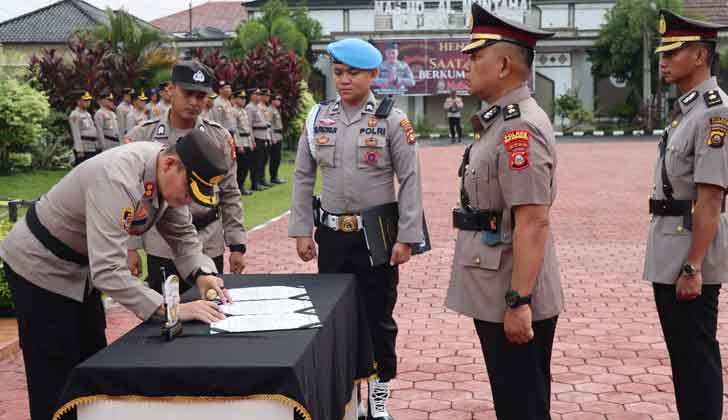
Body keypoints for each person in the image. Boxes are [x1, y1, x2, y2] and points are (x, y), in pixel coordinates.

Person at [0, 129, 232, 420]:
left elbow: (184, 238)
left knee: (92, 361)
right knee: (55, 373)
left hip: (79, 268)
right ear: (170, 164)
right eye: (189, 190)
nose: (188, 200)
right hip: (39, 265)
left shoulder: (164, 177)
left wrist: (202, 274)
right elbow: (108, 271)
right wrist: (172, 309)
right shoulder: (118, 178)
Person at [289, 38, 423, 420]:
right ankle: (346, 397)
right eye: (338, 73)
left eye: (353, 74)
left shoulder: (392, 119)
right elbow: (302, 176)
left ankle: (379, 398)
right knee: (333, 320)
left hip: (376, 237)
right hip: (332, 236)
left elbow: (410, 178)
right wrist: (302, 229)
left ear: (373, 75)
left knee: (379, 318)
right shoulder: (318, 119)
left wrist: (407, 236)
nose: (344, 81)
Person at [445, 5, 561, 419]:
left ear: (505, 64)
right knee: (515, 402)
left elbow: (533, 219)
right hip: (499, 280)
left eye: (476, 56)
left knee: (522, 406)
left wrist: (519, 301)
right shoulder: (498, 123)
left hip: (512, 289)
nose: (467, 65)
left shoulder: (519, 127)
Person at [645, 10, 728, 419]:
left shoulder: (714, 113)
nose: (663, 60)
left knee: (697, 359)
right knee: (685, 359)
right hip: (672, 249)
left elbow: (711, 199)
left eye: (672, 52)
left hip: (690, 256)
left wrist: (693, 266)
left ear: (699, 56)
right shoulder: (689, 110)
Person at [125, 61, 247, 295]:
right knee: (167, 317)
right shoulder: (143, 135)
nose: (193, 102)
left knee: (211, 312)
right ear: (171, 90)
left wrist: (237, 244)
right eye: (187, 93)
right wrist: (131, 247)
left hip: (208, 241)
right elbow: (131, 196)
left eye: (200, 96)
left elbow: (230, 192)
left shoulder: (219, 138)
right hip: (162, 245)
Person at [246, 88, 270, 191]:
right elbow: (249, 125)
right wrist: (251, 139)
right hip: (256, 136)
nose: (259, 96)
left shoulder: (258, 107)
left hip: (262, 135)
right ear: (251, 95)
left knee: (261, 160)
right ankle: (254, 183)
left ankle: (259, 180)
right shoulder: (249, 108)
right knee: (255, 162)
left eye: (260, 94)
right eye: (256, 94)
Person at [232, 89, 255, 195]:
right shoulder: (234, 111)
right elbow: (235, 129)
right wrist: (238, 144)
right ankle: (237, 187)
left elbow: (248, 128)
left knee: (246, 166)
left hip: (247, 140)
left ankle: (242, 185)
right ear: (235, 99)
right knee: (240, 167)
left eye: (244, 98)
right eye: (241, 98)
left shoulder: (244, 111)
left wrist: (251, 141)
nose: (243, 100)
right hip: (240, 141)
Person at [68, 91, 99, 166]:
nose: (88, 102)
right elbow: (76, 133)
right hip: (84, 147)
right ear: (78, 101)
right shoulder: (75, 115)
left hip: (91, 146)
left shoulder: (87, 114)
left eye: (89, 100)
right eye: (85, 100)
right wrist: (79, 150)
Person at [259, 88, 274, 187]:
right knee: (259, 160)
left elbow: (269, 123)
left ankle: (263, 178)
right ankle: (259, 179)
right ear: (263, 96)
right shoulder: (259, 107)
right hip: (260, 135)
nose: (268, 97)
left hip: (267, 135)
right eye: (267, 95)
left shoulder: (267, 107)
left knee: (265, 159)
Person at [269, 93, 285, 184]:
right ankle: (273, 177)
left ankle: (275, 176)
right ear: (273, 101)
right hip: (274, 135)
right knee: (274, 158)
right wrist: (272, 137)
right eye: (277, 100)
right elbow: (269, 124)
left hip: (279, 135)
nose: (279, 101)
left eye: (279, 100)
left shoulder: (276, 110)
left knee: (277, 158)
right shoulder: (270, 110)